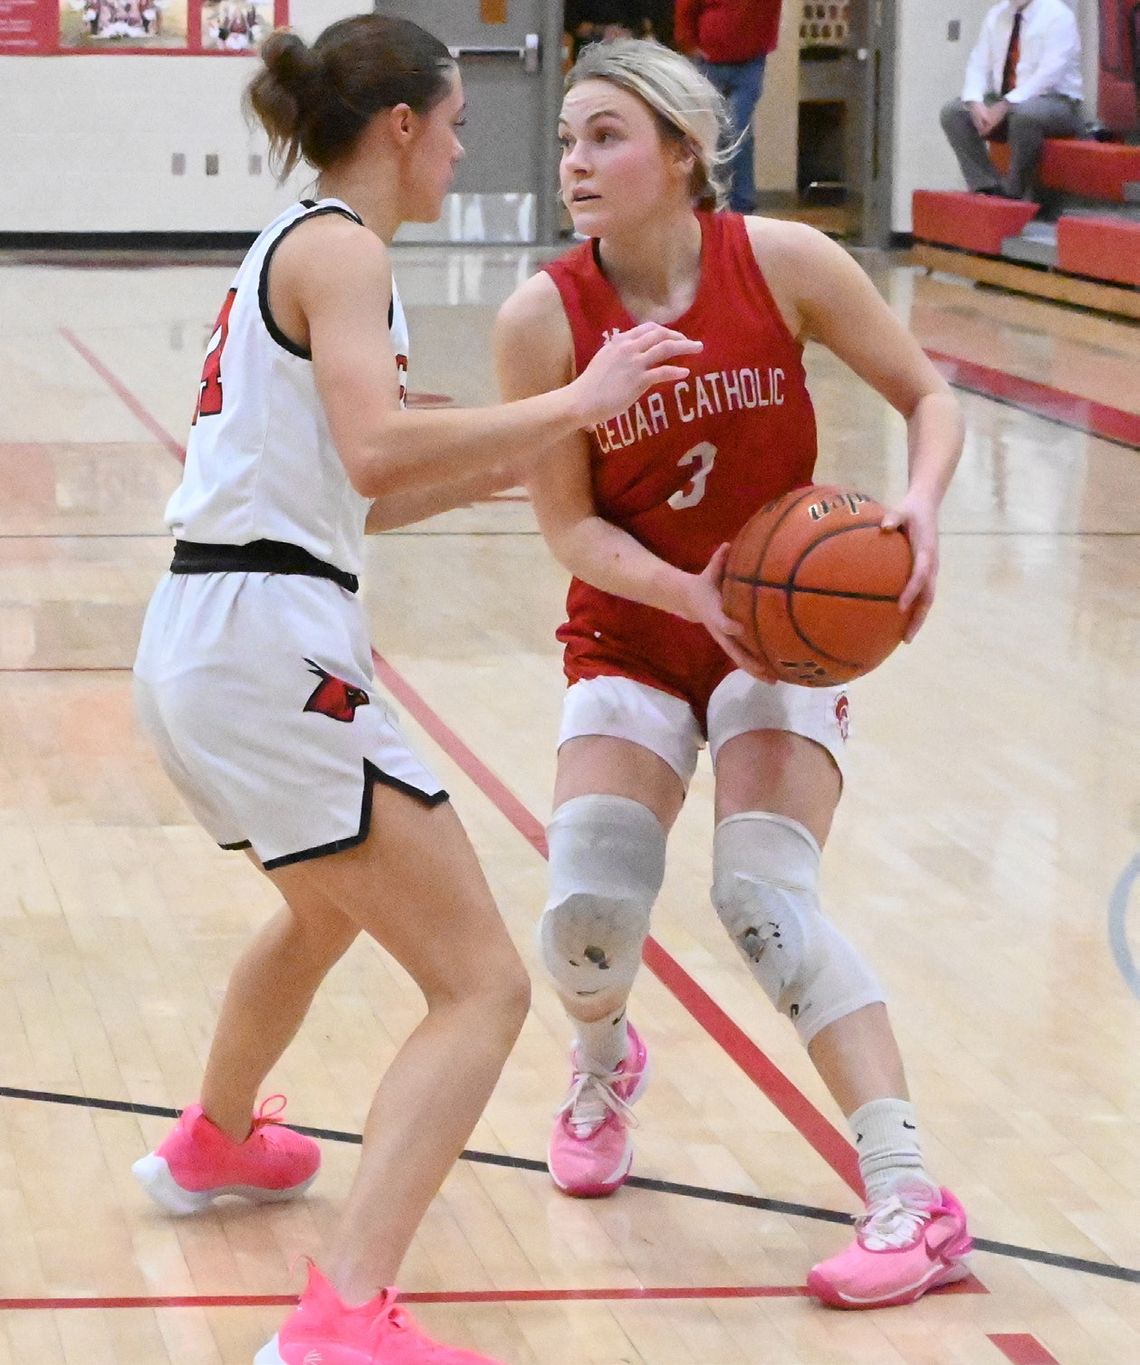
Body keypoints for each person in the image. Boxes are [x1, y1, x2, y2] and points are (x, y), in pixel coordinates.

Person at [130, 17, 700, 1365]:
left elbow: (359, 495)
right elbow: (380, 451)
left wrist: (528, 462)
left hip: (213, 629)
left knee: (324, 906)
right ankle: (342, 1319)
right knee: (483, 987)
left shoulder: (300, 247)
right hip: (270, 644)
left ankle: (214, 1140)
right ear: (400, 127)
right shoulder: (346, 249)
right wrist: (572, 403)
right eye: (451, 123)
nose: (461, 144)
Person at [494, 37, 972, 1310]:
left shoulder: (788, 263)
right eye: (567, 139)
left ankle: (913, 1197)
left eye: (605, 137)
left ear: (684, 152)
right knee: (586, 916)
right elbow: (567, 528)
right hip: (636, 628)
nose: (575, 163)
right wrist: (687, 591)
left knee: (766, 903)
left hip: (783, 635)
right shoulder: (544, 316)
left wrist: (919, 508)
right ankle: (604, 1059)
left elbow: (932, 398)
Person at [940, 0, 1083, 201]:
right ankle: (986, 186)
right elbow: (978, 64)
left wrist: (1008, 104)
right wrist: (974, 101)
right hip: (1006, 98)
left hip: (1057, 102)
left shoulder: (1059, 16)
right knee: (953, 112)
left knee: (1025, 115)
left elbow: (1049, 75)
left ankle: (1014, 192)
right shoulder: (996, 15)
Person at [675, 0, 783, 213]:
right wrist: (688, 44)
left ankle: (737, 205)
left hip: (750, 61)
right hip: (709, 60)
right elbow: (686, 7)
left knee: (736, 129)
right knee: (711, 131)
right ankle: (718, 200)